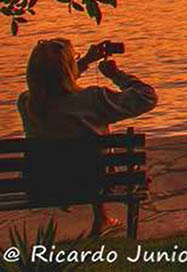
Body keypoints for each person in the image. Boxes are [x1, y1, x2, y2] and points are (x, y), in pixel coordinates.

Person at [17, 38, 157, 236]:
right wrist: (116, 75)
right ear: (68, 68)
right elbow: (147, 97)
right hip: (94, 185)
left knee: (79, 153)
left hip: (43, 186)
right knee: (92, 155)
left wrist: (85, 61)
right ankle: (102, 218)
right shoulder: (93, 100)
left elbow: (55, 84)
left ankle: (102, 219)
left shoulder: (26, 103)